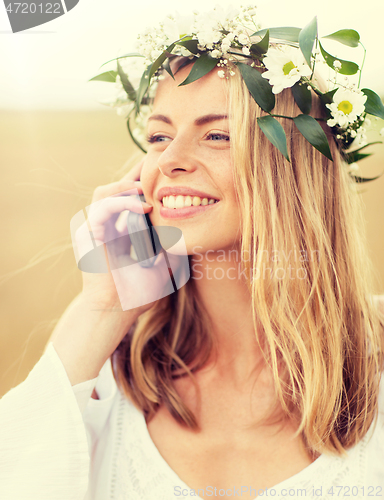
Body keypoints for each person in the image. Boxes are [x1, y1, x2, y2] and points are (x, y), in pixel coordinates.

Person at [1, 6, 384, 500]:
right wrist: (101, 309)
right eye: (159, 136)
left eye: (217, 135)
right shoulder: (110, 378)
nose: (170, 161)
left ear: (295, 172)